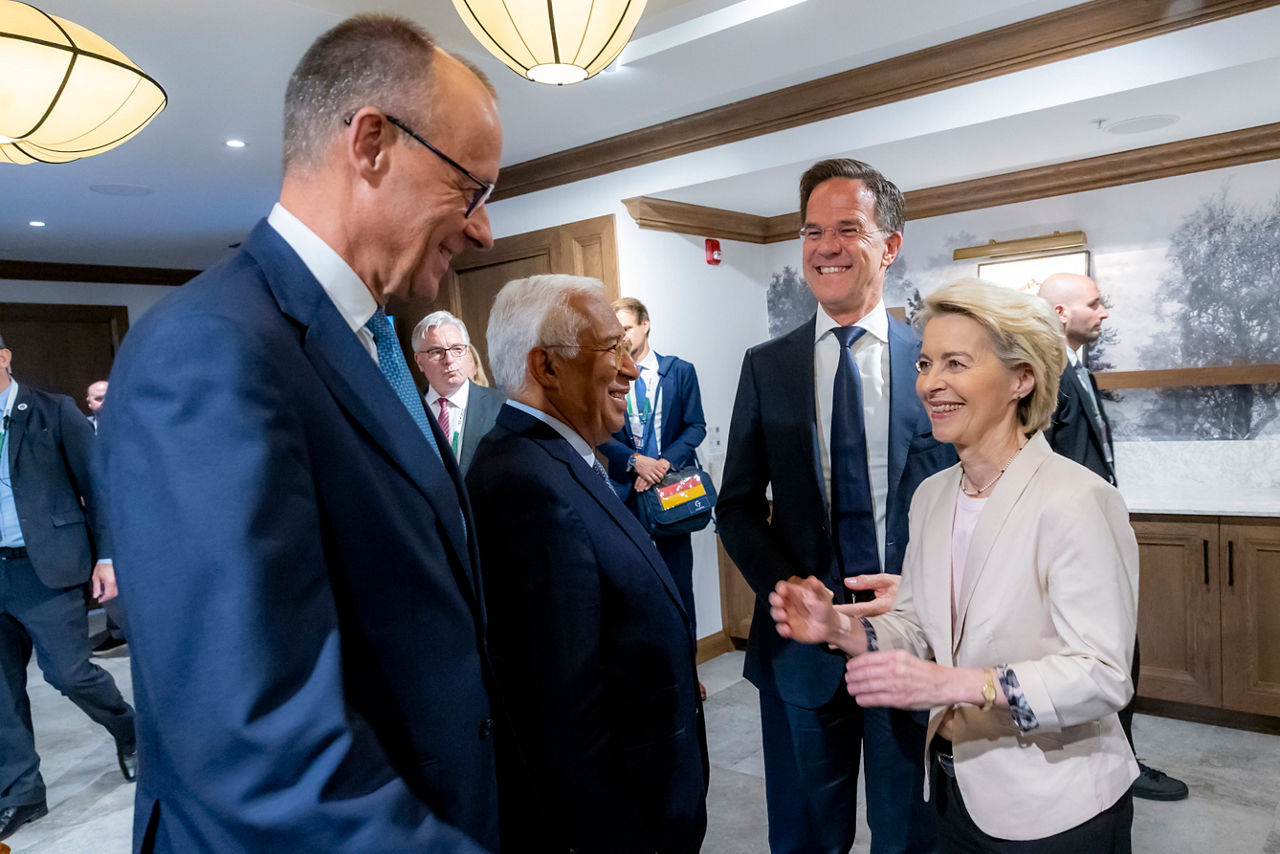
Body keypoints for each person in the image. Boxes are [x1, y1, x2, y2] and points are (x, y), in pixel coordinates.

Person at [96, 15, 503, 852]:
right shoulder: (210, 349)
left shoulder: (369, 342)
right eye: (474, 189)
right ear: (372, 144)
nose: (482, 229)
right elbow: (254, 742)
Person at [771, 279, 1140, 851]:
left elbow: (1103, 674)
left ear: (1022, 379)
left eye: (956, 363)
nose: (930, 383)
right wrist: (843, 628)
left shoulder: (1077, 499)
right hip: (951, 791)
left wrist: (961, 684)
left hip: (1057, 807)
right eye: (925, 363)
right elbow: (919, 628)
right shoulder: (934, 495)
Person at [717, 158, 954, 854]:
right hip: (800, 653)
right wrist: (786, 589)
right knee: (802, 838)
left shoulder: (936, 363)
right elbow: (734, 505)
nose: (826, 247)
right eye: (813, 231)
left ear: (891, 244)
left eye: (848, 229)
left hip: (909, 641)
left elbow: (973, 501)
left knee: (908, 834)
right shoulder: (767, 366)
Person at [467, 275, 707, 854]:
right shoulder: (526, 482)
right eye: (611, 350)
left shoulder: (561, 458)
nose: (629, 369)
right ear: (547, 368)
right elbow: (561, 711)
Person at [1038, 272, 1189, 802]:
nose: (1103, 313)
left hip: (1097, 535)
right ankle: (1107, 769)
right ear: (1060, 313)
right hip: (1071, 545)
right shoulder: (1046, 375)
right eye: (1095, 304)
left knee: (1120, 651)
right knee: (1105, 655)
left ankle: (1118, 761)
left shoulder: (1080, 371)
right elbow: (1039, 469)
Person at [0, 338, 136, 842]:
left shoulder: (52, 411)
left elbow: (98, 486)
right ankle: (22, 794)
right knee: (1, 692)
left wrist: (107, 556)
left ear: (5, 356)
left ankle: (130, 729)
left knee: (68, 673)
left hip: (47, 570)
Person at [598, 297, 707, 637]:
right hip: (627, 492)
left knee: (678, 584)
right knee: (636, 585)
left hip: (672, 487)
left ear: (645, 325)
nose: (623, 336)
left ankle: (689, 672)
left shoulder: (679, 371)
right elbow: (599, 432)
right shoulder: (606, 377)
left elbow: (695, 427)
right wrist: (635, 462)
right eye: (617, 331)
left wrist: (661, 464)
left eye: (627, 328)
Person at [411, 310, 503, 473]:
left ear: (467, 353)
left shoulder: (501, 405)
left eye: (457, 349)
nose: (449, 360)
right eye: (436, 352)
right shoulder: (408, 412)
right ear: (419, 361)